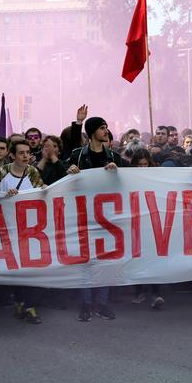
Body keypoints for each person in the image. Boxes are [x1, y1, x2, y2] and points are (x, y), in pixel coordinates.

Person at [66, 115, 122, 321]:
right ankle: (86, 303)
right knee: (86, 261)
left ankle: (102, 302)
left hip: (108, 216)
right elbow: (63, 182)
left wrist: (118, 173)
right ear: (91, 133)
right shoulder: (77, 155)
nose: (105, 131)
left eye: (106, 127)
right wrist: (69, 171)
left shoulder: (114, 157)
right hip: (84, 214)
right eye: (101, 128)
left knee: (106, 260)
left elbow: (128, 183)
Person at [0, 140, 47, 326]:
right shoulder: (1, 173)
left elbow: (41, 191)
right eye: (21, 153)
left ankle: (30, 306)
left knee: (31, 268)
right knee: (16, 268)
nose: (25, 156)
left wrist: (46, 189)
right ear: (12, 155)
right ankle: (19, 301)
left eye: (27, 152)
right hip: (8, 228)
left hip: (30, 229)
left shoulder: (32, 172)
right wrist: (5, 196)